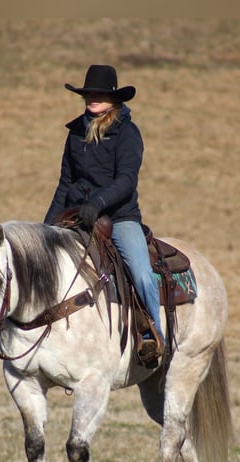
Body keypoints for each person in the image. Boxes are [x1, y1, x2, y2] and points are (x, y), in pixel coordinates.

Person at [43, 64, 165, 366]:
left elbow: (126, 180)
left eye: (99, 94)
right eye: (88, 94)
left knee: (141, 273)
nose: (92, 99)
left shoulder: (127, 133)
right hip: (76, 217)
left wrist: (97, 202)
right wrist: (45, 229)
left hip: (119, 218)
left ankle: (153, 335)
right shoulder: (75, 133)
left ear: (114, 99)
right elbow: (65, 183)